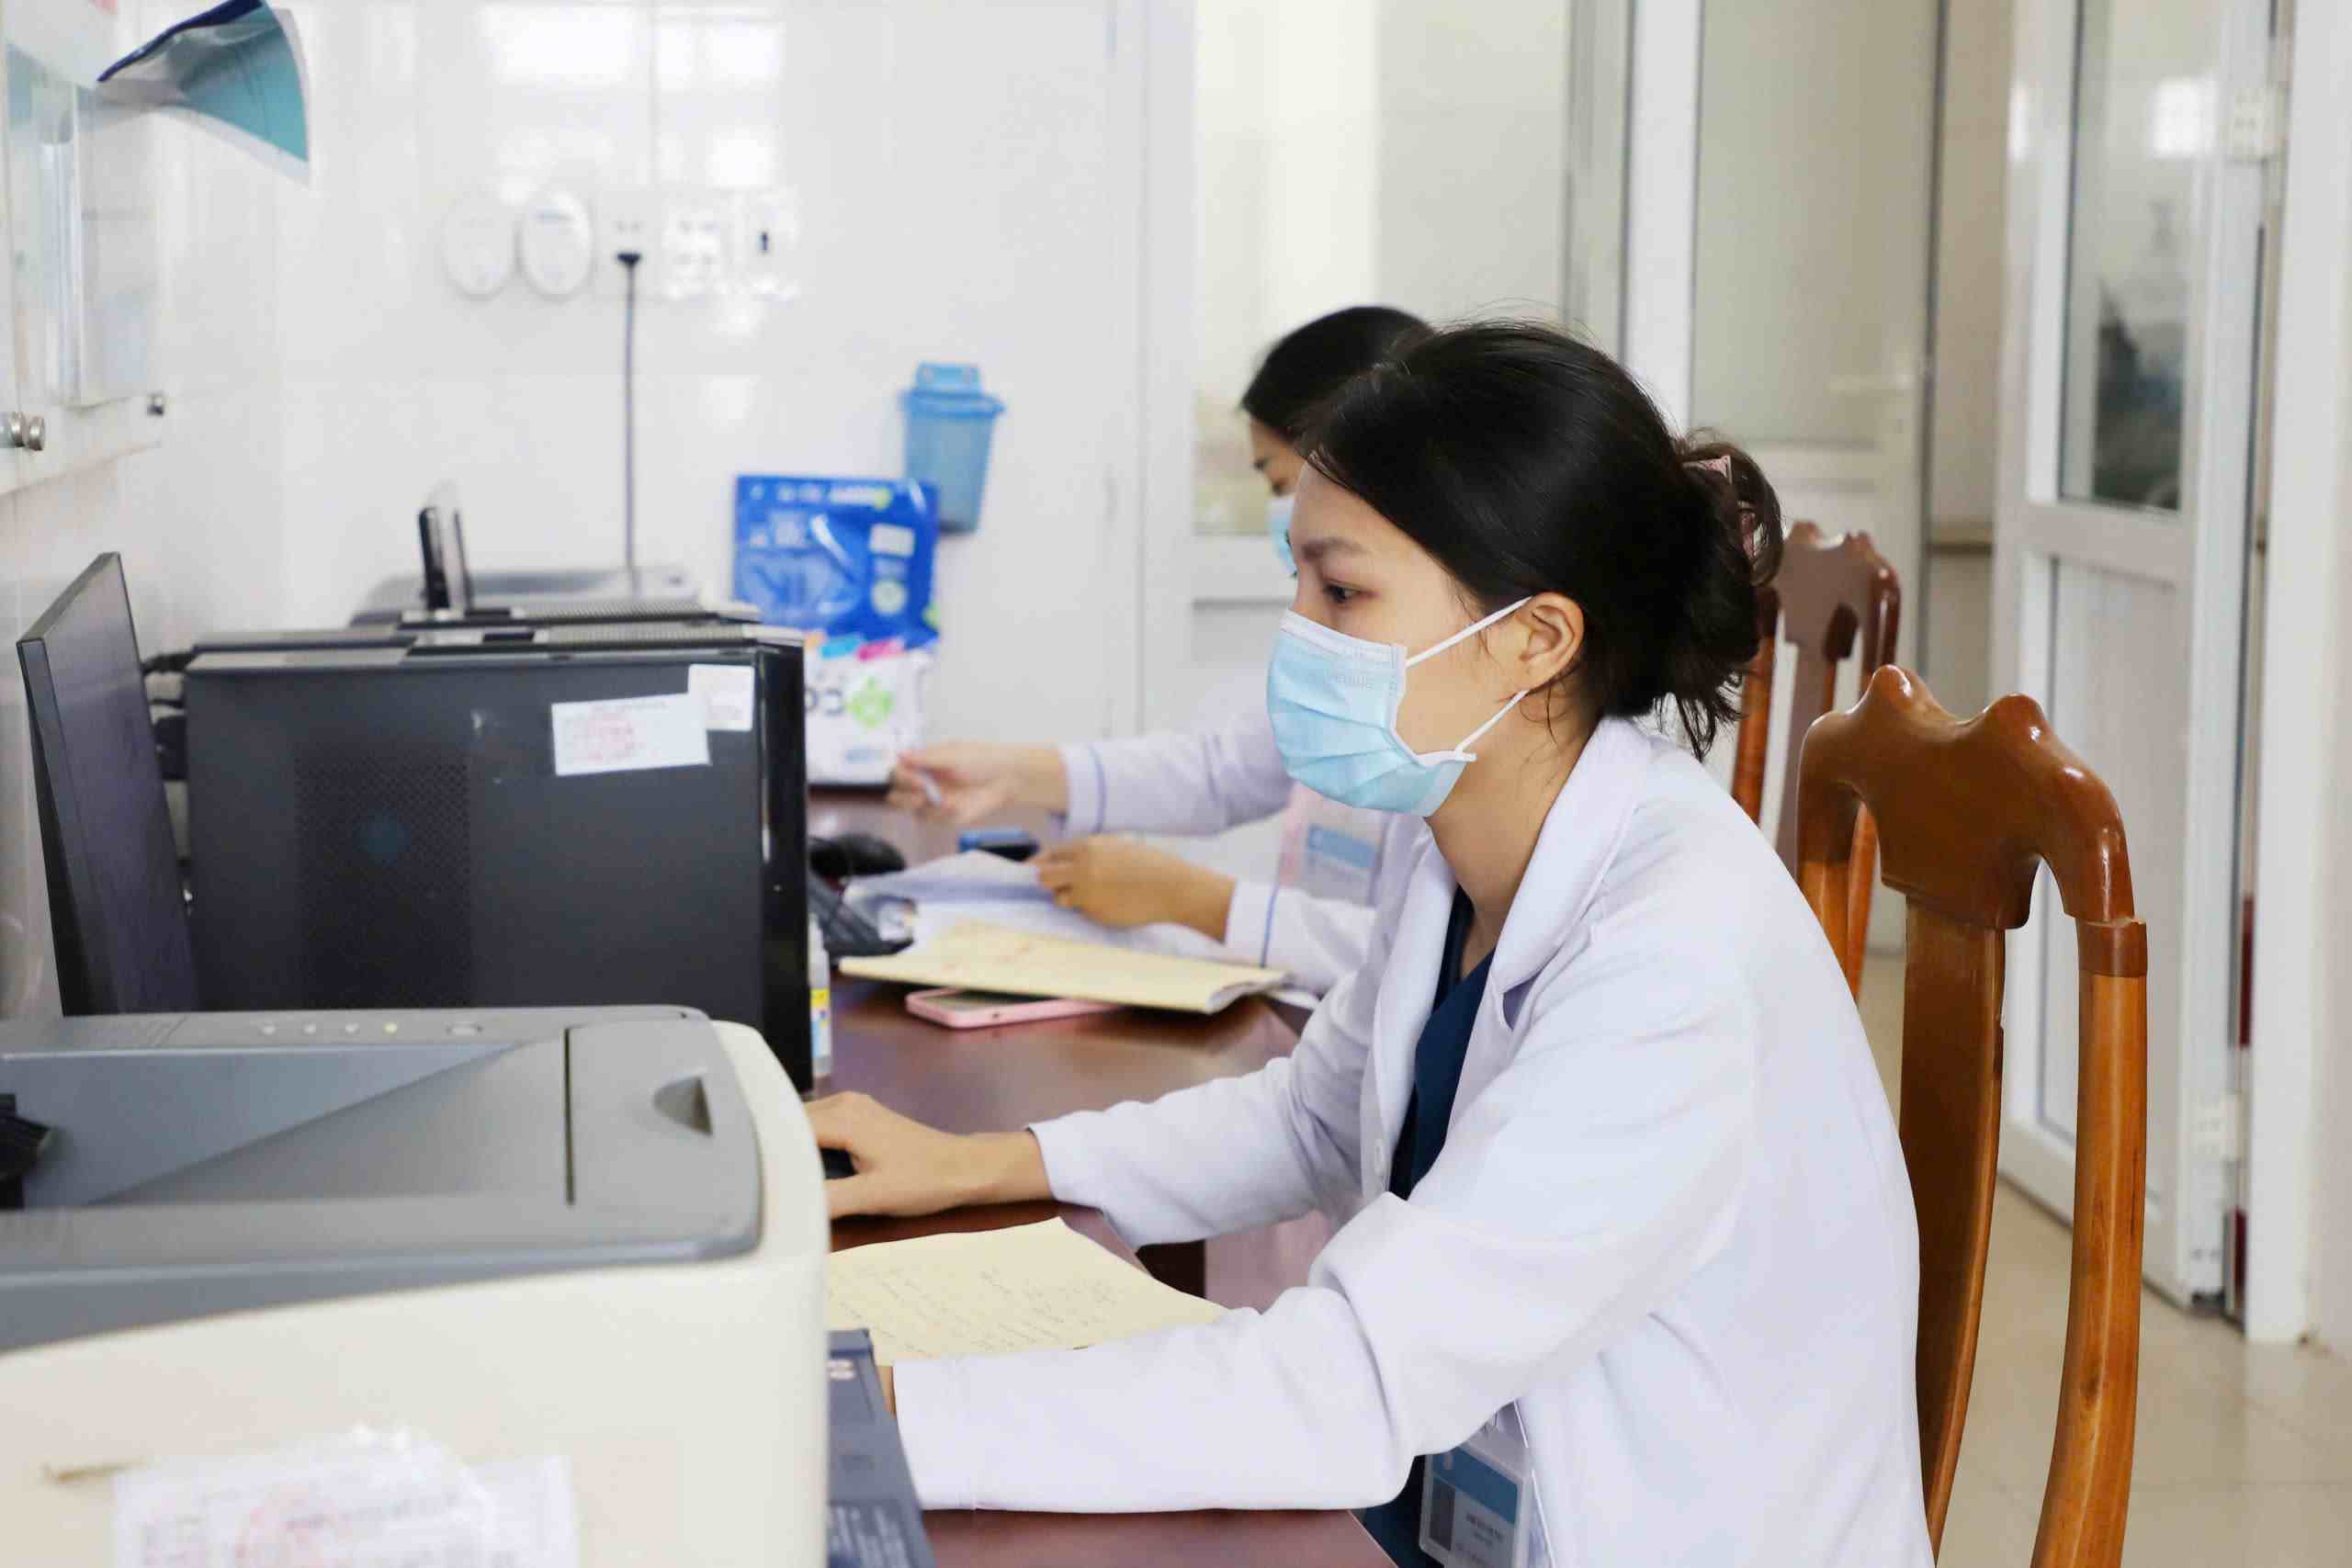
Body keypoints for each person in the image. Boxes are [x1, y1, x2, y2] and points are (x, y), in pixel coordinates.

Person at [817, 321, 1931, 1565]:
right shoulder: (1456, 824)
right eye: (1301, 577)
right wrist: (980, 1165)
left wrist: (860, 1418)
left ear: (1537, 639)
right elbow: (1308, 1114)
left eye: (1342, 590)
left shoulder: (1672, 960)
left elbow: (1345, 1381)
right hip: (1449, 1502)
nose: (1299, 629)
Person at [888, 305, 1427, 997]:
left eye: (1276, 481)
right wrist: (1014, 773)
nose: (1285, 513)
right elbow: (1227, 769)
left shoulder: (1454, 700)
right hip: (1323, 1029)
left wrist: (1195, 899)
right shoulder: (1345, 655)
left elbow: (1424, 962)